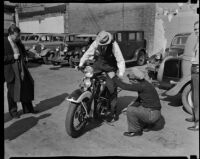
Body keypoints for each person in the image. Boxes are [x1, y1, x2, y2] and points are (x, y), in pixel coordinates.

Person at [78, 30, 125, 121]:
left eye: (104, 43)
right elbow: (88, 53)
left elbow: (120, 60)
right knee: (87, 78)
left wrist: (121, 74)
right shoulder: (96, 42)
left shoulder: (114, 45)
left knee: (111, 87)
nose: (102, 44)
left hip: (110, 67)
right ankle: (87, 98)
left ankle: (113, 112)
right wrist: (81, 64)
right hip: (98, 65)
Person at [111, 67, 162, 137]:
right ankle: (148, 124)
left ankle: (134, 131)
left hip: (152, 115)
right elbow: (140, 99)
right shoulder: (145, 84)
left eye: (130, 81)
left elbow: (124, 86)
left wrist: (113, 77)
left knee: (130, 111)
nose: (130, 82)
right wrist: (131, 106)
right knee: (133, 106)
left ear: (135, 80)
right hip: (155, 112)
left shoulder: (141, 86)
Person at [4, 24, 38, 119]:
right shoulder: (4, 42)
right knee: (12, 92)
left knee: (26, 87)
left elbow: (23, 52)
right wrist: (12, 57)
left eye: (18, 35)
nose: (18, 37)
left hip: (21, 68)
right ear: (10, 34)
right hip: (10, 70)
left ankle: (28, 109)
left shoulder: (18, 41)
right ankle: (13, 112)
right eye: (16, 35)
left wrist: (30, 54)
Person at [185, 21, 199, 131]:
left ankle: (198, 123)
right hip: (194, 69)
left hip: (198, 70)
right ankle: (195, 117)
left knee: (197, 98)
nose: (196, 31)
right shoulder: (197, 40)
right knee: (194, 95)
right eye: (195, 29)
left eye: (198, 29)